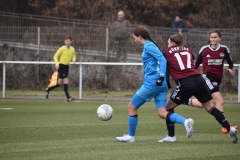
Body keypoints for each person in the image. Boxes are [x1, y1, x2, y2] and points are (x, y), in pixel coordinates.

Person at [116, 26, 194, 143]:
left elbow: (163, 60)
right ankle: (185, 122)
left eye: (135, 38)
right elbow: (163, 61)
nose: (134, 40)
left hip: (153, 82)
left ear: (140, 37)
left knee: (132, 107)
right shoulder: (150, 46)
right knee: (162, 113)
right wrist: (165, 80)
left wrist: (162, 77)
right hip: (160, 84)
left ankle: (130, 136)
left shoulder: (148, 46)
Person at [158, 34, 238, 143]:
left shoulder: (167, 52)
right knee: (210, 107)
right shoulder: (187, 49)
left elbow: (164, 63)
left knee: (167, 108)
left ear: (171, 43)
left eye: (168, 43)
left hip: (186, 82)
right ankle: (229, 128)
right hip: (199, 79)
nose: (168, 45)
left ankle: (171, 136)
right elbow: (192, 59)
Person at [184, 30, 238, 134]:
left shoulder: (224, 49)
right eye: (211, 37)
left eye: (215, 37)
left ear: (220, 38)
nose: (213, 39)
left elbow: (230, 62)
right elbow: (196, 64)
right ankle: (225, 126)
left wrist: (230, 68)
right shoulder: (204, 49)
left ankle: (184, 101)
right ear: (209, 39)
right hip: (207, 77)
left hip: (218, 78)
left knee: (202, 104)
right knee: (220, 101)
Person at [45, 35, 76, 102]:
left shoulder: (72, 49)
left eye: (69, 41)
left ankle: (48, 89)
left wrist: (74, 60)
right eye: (66, 41)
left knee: (59, 83)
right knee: (66, 80)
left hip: (67, 67)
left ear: (71, 42)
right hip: (61, 66)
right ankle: (68, 98)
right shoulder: (62, 48)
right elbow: (55, 56)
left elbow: (73, 55)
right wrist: (57, 64)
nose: (67, 42)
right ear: (65, 42)